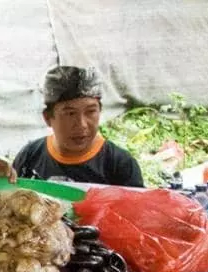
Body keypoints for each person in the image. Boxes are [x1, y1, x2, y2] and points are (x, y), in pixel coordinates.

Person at [8, 66, 143, 188]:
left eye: (90, 111)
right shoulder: (30, 156)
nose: (81, 125)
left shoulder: (120, 165)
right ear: (48, 118)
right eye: (70, 114)